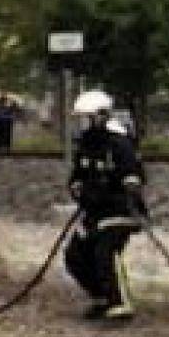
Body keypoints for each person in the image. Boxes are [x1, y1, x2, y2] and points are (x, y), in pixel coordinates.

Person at [64, 90, 146, 322]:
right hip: (93, 212)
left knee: (105, 251)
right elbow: (76, 176)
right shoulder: (85, 146)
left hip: (120, 212)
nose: (84, 124)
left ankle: (119, 303)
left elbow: (134, 175)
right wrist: (76, 187)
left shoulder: (119, 144)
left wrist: (130, 185)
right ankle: (101, 296)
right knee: (75, 255)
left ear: (102, 116)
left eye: (88, 117)